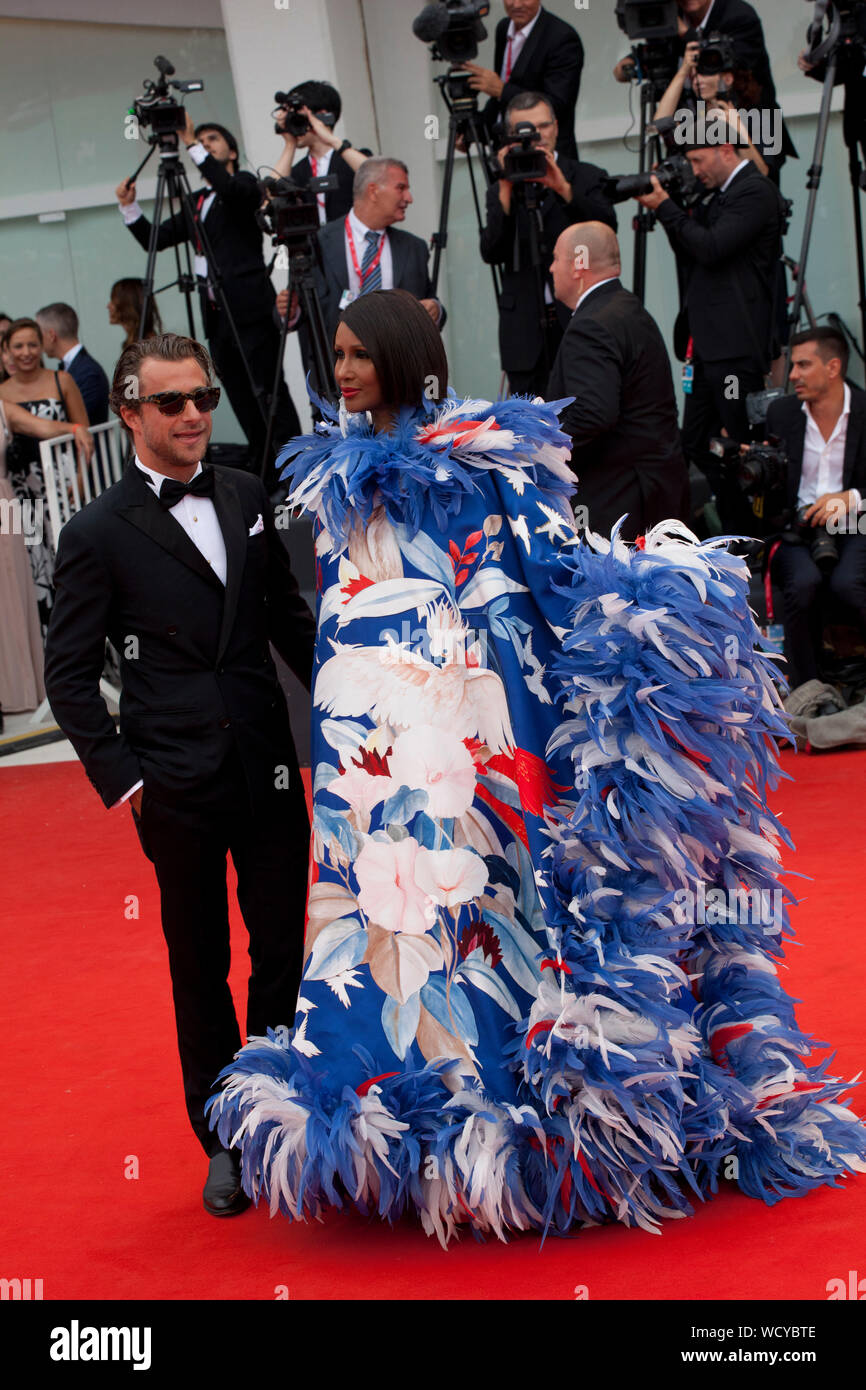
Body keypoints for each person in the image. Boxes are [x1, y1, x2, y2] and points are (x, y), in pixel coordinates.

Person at [207, 288, 866, 1245]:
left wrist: (647, 613)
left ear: (400, 354)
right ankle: (395, 1107)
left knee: (482, 905)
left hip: (463, 733)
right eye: (335, 355)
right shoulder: (328, 475)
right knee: (381, 914)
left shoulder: (481, 453)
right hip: (364, 748)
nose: (342, 370)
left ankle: (505, 1111)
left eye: (356, 353)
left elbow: (540, 577)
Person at [43, 332, 316, 1217]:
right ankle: (225, 1140)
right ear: (130, 414)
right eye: (172, 402)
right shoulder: (95, 533)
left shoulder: (242, 492)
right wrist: (127, 780)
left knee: (283, 952)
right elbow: (69, 674)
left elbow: (284, 616)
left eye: (202, 397)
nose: (195, 413)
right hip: (176, 786)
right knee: (199, 969)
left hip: (269, 769)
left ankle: (277, 1111)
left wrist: (354, 701)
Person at [115, 114, 301, 472]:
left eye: (213, 139)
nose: (203, 143)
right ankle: (267, 471)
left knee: (268, 391)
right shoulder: (197, 200)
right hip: (217, 319)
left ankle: (296, 466)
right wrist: (129, 207)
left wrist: (190, 141)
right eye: (201, 140)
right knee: (239, 397)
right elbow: (155, 238)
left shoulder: (245, 184)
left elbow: (233, 192)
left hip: (250, 311)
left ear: (231, 151)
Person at [637, 131, 786, 531]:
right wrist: (671, 205)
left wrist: (668, 207)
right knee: (695, 441)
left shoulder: (754, 191)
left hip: (737, 346)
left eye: (700, 160)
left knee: (742, 442)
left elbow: (712, 247)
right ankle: (734, 525)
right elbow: (690, 249)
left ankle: (757, 533)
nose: (695, 170)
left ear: (725, 150)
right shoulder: (713, 197)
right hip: (704, 347)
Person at [545, 222, 687, 538]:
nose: (551, 267)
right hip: (655, 490)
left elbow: (594, 413)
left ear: (578, 264)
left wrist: (537, 445)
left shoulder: (591, 325)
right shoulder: (629, 308)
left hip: (618, 502)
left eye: (556, 257)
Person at [480, 92, 617, 397]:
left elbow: (607, 230)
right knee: (529, 426)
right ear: (510, 137)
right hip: (524, 329)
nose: (537, 136)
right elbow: (492, 251)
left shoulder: (585, 176)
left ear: (556, 127)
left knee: (585, 407)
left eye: (543, 126)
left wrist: (563, 189)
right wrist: (505, 186)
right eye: (525, 130)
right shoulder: (502, 187)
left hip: (580, 318)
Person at [275, 157, 445, 391]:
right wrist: (289, 312)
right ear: (373, 190)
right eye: (401, 188)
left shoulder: (414, 248)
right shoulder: (316, 243)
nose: (409, 198)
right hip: (337, 389)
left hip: (402, 385)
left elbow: (431, 305)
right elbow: (300, 311)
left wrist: (435, 309)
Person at [765, 328, 866, 690]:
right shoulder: (781, 413)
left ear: (833, 367)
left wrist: (851, 498)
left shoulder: (865, 411)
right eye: (793, 366)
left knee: (849, 584)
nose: (792, 376)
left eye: (804, 365)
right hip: (795, 528)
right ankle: (808, 690)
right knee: (804, 583)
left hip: (856, 525)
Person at [0, 398, 93, 721]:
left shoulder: (3, 408)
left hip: (6, 513)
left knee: (11, 596)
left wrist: (75, 428)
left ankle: (19, 688)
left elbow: (41, 426)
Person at [0, 317, 91, 629]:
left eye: (32, 344)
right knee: (35, 565)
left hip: (62, 485)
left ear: (42, 346)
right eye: (18, 346)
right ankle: (49, 639)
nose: (26, 352)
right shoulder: (3, 392)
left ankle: (89, 631)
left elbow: (84, 431)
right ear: (7, 351)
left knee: (72, 556)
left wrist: (79, 480)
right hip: (21, 491)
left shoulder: (61, 380)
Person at [462, 0, 584, 159]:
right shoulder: (504, 28)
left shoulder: (562, 37)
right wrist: (472, 132)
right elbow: (501, 98)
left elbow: (557, 104)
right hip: (507, 153)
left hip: (546, 156)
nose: (517, 5)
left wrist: (502, 90)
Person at [271, 80, 370, 224]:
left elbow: (378, 177)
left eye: (297, 116)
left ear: (322, 115)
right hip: (315, 245)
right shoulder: (297, 172)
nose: (292, 121)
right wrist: (289, 143)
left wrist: (332, 139)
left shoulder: (352, 159)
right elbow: (272, 198)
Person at [36, 302, 110, 427]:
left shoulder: (88, 372)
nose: (36, 340)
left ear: (51, 335)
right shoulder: (78, 367)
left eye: (38, 334)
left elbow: (80, 419)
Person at [108, 277, 163, 348]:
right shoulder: (137, 341)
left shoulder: (147, 346)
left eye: (113, 300)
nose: (108, 306)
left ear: (127, 305)